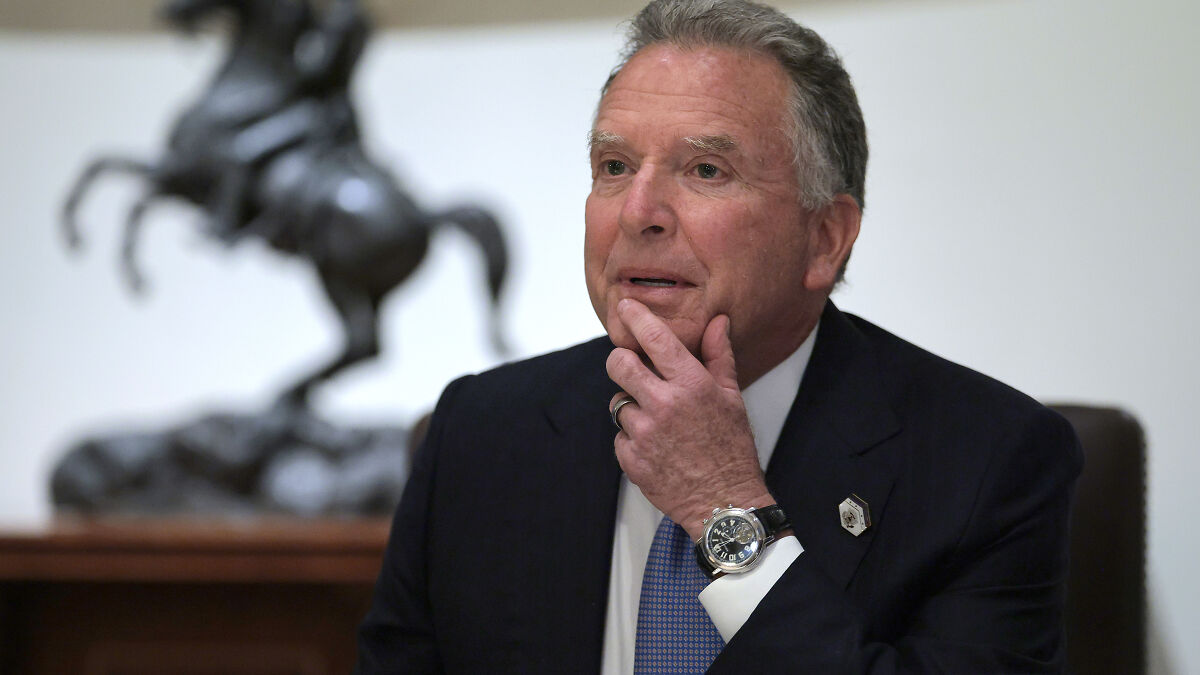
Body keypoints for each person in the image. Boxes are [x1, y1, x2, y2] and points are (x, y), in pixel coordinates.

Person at [356, 0, 1083, 672]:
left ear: (826, 238)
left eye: (706, 169)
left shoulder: (989, 462)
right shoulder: (479, 434)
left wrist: (723, 508)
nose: (638, 211)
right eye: (614, 167)